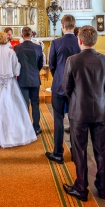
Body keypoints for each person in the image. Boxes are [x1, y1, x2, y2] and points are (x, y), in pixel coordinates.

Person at [62, 26, 105, 201]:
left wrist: (75, 99)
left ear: (80, 40)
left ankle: (81, 187)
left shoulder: (73, 60)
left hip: (79, 111)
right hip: (98, 109)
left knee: (80, 150)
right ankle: (103, 186)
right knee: (101, 149)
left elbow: (66, 87)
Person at [45, 14, 80, 164]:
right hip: (76, 87)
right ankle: (75, 152)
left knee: (58, 119)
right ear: (74, 25)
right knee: (74, 120)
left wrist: (58, 77)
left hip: (59, 86)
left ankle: (58, 153)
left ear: (63, 26)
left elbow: (51, 64)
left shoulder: (56, 42)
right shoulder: (80, 42)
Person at [14, 27, 43, 135]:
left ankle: (25, 128)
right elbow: (40, 64)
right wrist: (35, 72)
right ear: (32, 35)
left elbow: (15, 64)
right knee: (35, 103)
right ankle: (36, 127)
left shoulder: (17, 48)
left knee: (24, 104)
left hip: (22, 79)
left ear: (22, 35)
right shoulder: (38, 48)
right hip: (35, 79)